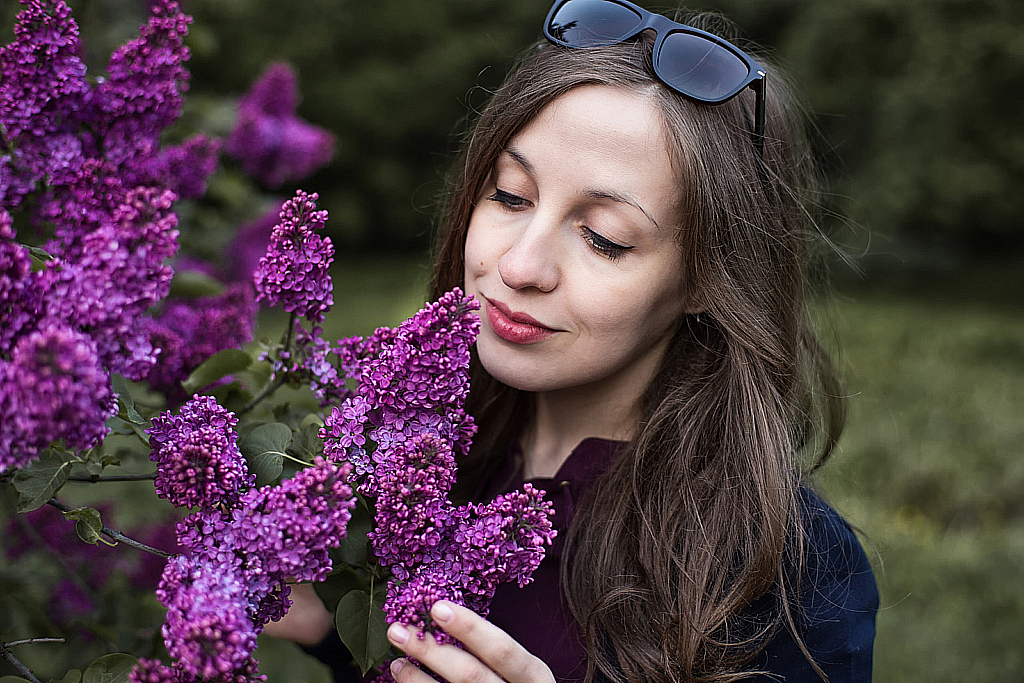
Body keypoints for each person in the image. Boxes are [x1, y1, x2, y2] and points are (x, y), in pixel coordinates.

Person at [268, 1, 879, 681]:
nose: (519, 266)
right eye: (509, 195)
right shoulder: (408, 451)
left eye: (603, 237)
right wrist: (339, 630)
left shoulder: (789, 573)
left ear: (708, 279)